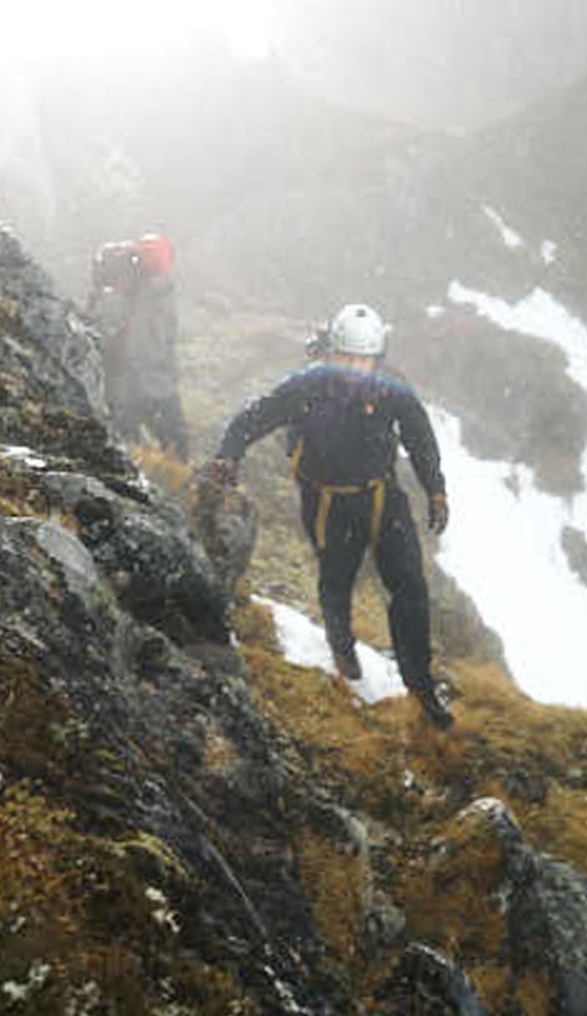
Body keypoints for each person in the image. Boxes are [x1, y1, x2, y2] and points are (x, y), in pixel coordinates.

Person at [206, 302, 453, 728]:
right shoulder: (307, 386)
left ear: (378, 357)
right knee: (336, 580)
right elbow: (253, 417)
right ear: (332, 352)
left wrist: (436, 491)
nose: (356, 368)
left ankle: (421, 687)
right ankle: (342, 648)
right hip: (327, 503)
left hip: (381, 497)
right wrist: (228, 456)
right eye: (347, 357)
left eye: (364, 359)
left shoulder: (392, 390)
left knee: (409, 585)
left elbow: (420, 439)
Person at [84, 232, 189, 458]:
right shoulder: (120, 294)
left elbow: (166, 340)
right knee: (138, 450)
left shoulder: (160, 293)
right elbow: (101, 335)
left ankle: (166, 482)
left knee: (154, 447)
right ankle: (164, 484)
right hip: (136, 384)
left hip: (137, 385)